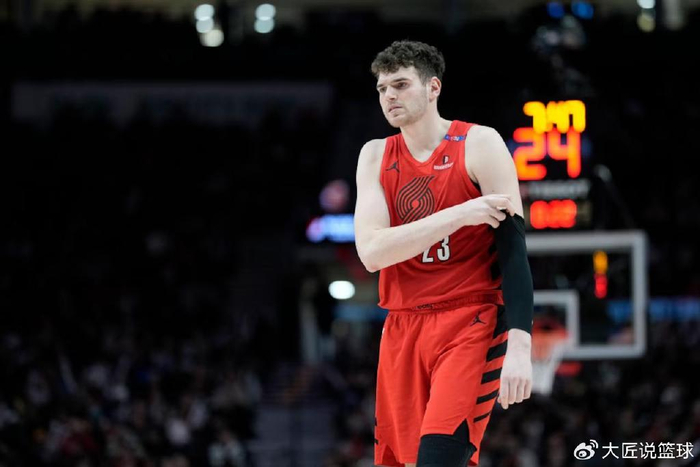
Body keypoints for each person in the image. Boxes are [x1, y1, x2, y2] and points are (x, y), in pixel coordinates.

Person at [353, 40, 534, 467]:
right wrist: (460, 214)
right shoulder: (374, 154)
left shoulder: (480, 143)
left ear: (433, 87)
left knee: (440, 457)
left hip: (470, 321)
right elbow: (372, 253)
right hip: (402, 325)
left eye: (400, 85)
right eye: (382, 89)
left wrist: (520, 346)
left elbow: (514, 252)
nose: (389, 96)